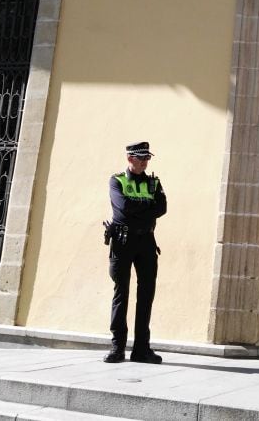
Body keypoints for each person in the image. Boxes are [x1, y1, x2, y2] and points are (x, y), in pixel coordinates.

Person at [104, 141, 167, 364]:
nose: (145, 162)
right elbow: (123, 207)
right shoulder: (117, 180)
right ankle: (117, 347)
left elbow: (162, 208)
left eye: (147, 158)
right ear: (130, 158)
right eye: (141, 158)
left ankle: (142, 349)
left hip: (147, 242)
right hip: (123, 241)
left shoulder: (153, 183)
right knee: (121, 293)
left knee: (146, 295)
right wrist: (146, 210)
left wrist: (139, 210)